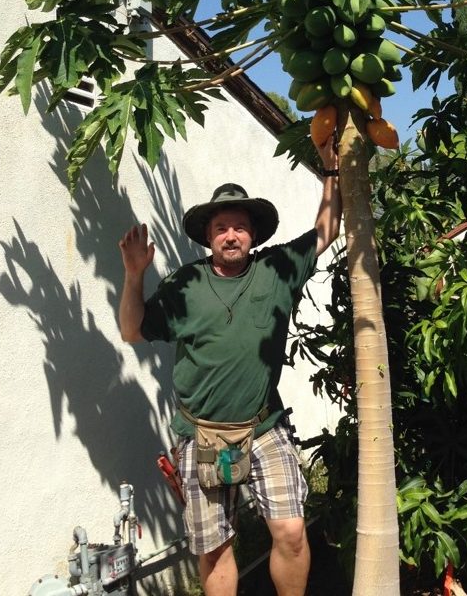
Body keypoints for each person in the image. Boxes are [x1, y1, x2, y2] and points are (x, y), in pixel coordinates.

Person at [117, 138, 341, 596]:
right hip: (201, 435)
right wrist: (134, 274)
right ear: (209, 236)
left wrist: (331, 171)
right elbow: (132, 330)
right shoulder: (185, 285)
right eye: (221, 227)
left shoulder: (278, 269)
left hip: (264, 428)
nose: (231, 235)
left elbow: (327, 229)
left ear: (253, 235)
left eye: (240, 226)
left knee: (292, 533)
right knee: (215, 549)